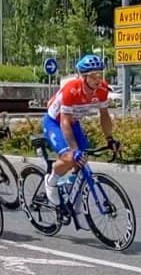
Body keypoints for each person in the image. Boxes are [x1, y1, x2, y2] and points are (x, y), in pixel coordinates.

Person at [42, 55, 118, 205]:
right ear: (84, 77)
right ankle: (52, 180)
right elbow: (64, 122)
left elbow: (104, 115)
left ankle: (71, 183)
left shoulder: (102, 89)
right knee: (70, 156)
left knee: (83, 155)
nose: (98, 79)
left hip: (73, 122)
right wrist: (73, 149)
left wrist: (110, 138)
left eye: (100, 74)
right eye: (93, 75)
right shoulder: (72, 89)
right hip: (55, 122)